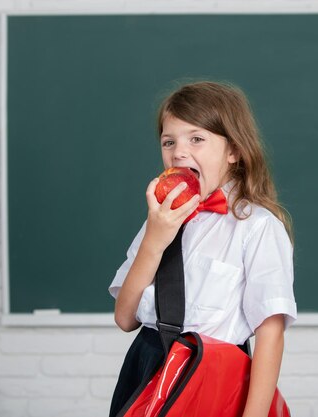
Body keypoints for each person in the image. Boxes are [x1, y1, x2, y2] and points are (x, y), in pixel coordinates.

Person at [108, 81, 297, 417]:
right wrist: (155, 239)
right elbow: (124, 318)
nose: (179, 151)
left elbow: (270, 335)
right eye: (169, 141)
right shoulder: (160, 219)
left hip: (209, 372)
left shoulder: (257, 226)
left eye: (196, 138)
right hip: (146, 364)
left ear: (233, 151)